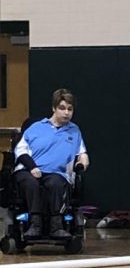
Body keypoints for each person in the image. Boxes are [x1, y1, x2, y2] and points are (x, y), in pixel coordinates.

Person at [14, 88, 89, 239]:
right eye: (62, 108)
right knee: (31, 182)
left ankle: (56, 226)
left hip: (57, 173)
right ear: (54, 108)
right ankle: (35, 224)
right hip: (30, 170)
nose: (66, 113)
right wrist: (32, 167)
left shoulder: (74, 131)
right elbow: (20, 150)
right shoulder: (36, 128)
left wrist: (83, 162)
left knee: (56, 182)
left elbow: (82, 153)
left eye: (70, 109)